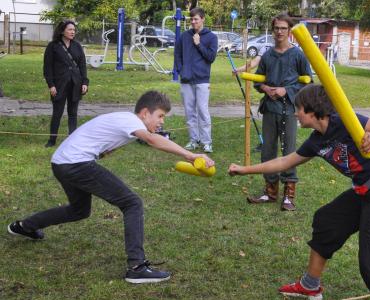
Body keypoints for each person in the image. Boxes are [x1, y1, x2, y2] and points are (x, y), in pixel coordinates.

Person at [228, 84, 370, 300]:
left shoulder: (344, 121)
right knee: (327, 220)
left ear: (312, 110)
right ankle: (310, 285)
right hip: (364, 190)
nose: (295, 113)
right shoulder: (316, 141)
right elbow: (284, 162)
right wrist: (244, 170)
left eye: (298, 108)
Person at [7, 90, 215, 284]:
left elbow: (103, 140)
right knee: (132, 203)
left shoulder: (125, 121)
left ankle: (25, 226)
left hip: (61, 162)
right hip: (76, 163)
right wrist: (191, 155)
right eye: (160, 116)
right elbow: (152, 140)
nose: (162, 122)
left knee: (79, 210)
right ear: (144, 113)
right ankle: (136, 267)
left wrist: (103, 150)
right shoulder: (130, 120)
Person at [246, 13, 312, 211]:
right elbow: (259, 80)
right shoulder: (267, 55)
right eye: (277, 28)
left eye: (284, 28)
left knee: (289, 150)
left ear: (289, 30)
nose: (280, 31)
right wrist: (265, 88)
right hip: (270, 109)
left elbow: (308, 82)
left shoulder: (298, 55)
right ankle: (270, 191)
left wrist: (287, 90)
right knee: (268, 151)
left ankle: (288, 195)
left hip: (290, 110)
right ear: (273, 30)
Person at [174, 7, 218, 153]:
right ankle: (194, 140)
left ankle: (207, 142)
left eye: (196, 19)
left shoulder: (211, 37)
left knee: (203, 111)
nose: (193, 22)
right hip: (186, 79)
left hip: (202, 80)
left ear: (202, 19)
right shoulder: (184, 36)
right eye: (191, 19)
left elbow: (211, 57)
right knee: (189, 112)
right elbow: (177, 54)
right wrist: (181, 70)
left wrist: (199, 44)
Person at [43, 20, 89, 148]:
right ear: (62, 31)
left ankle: (72, 140)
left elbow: (82, 66)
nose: (72, 32)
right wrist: (51, 85)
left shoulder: (77, 46)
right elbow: (47, 68)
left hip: (76, 83)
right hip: (59, 85)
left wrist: (85, 82)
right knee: (57, 113)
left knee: (73, 113)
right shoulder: (53, 46)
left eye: (74, 30)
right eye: (70, 29)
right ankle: (52, 141)